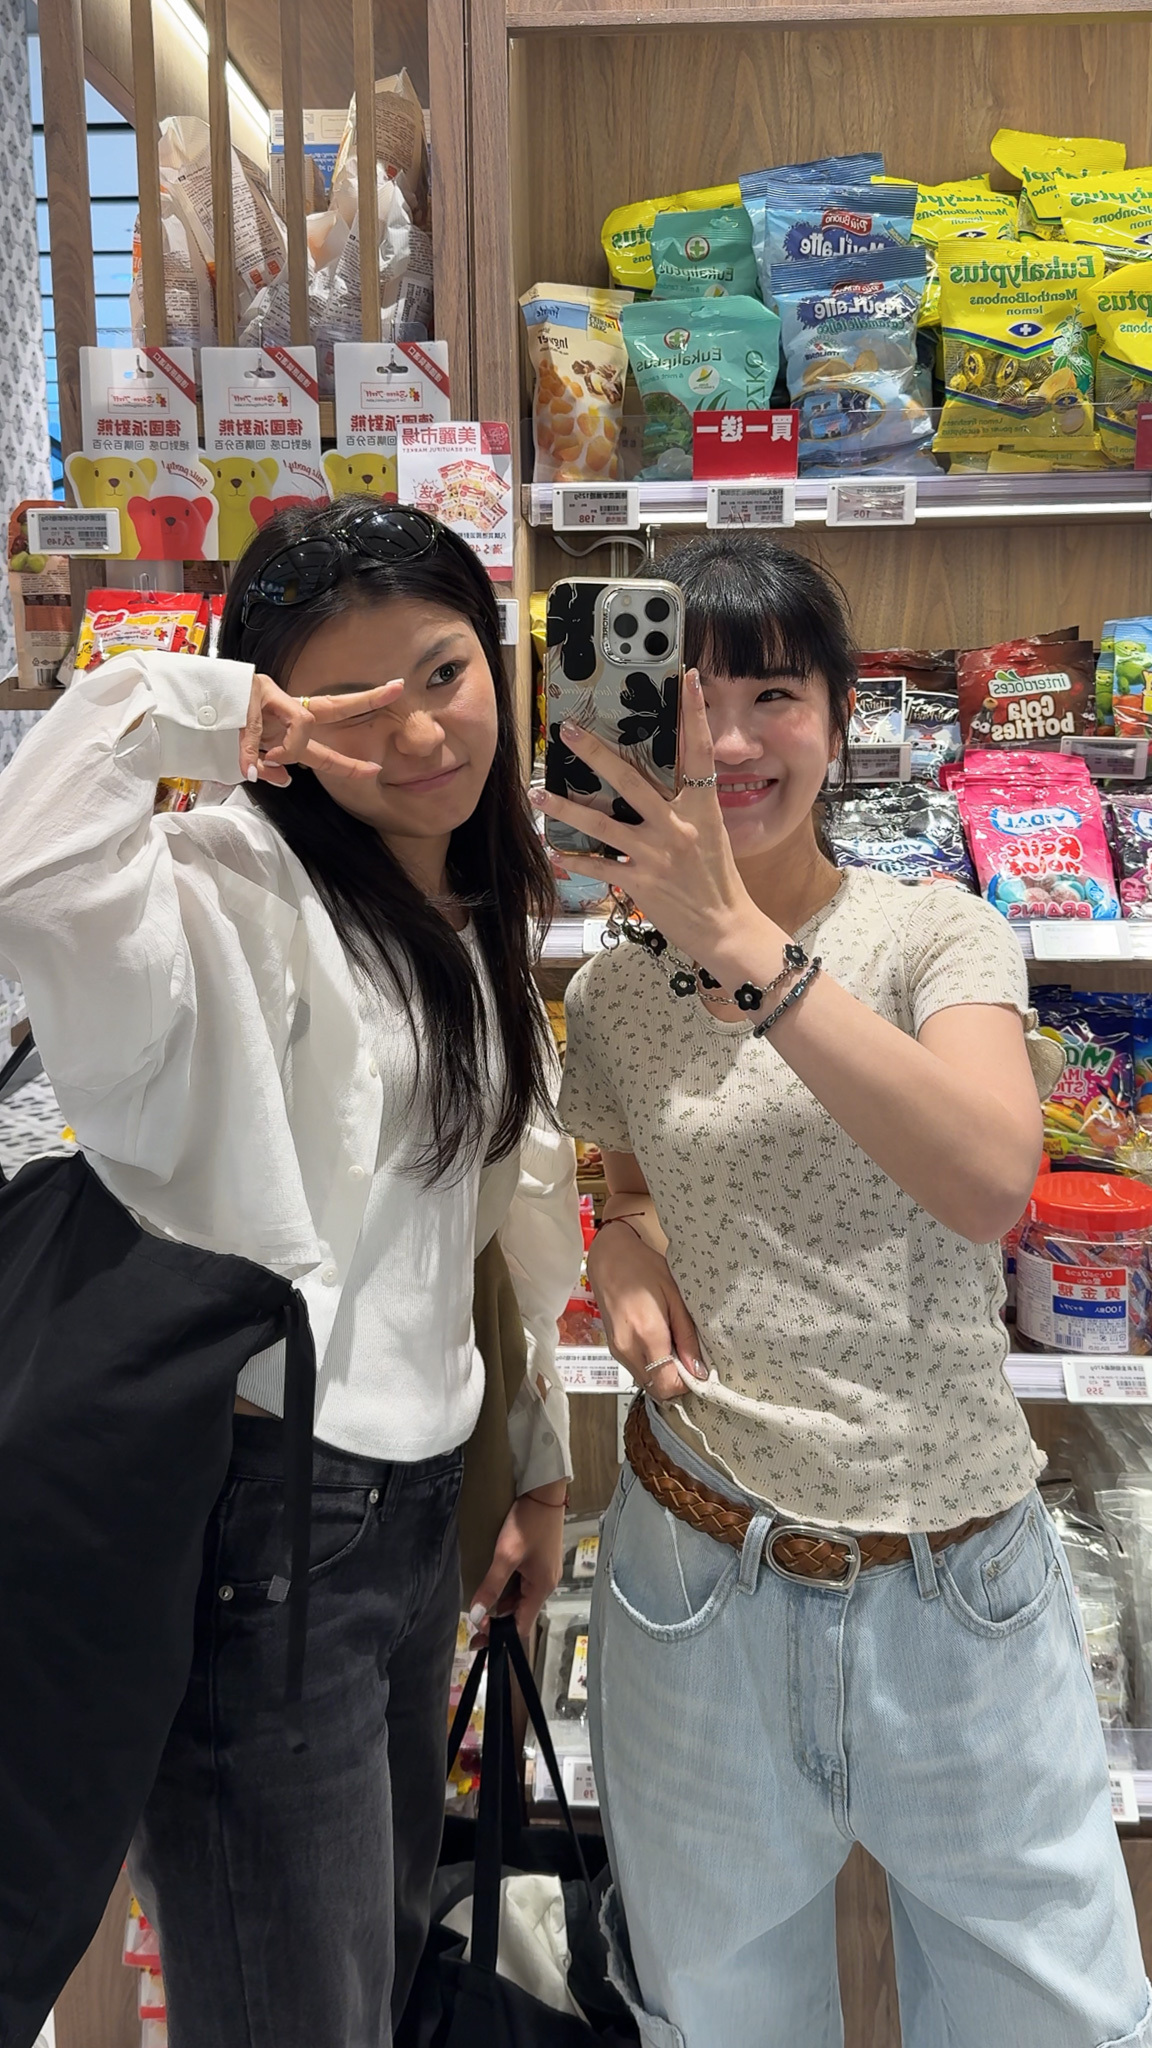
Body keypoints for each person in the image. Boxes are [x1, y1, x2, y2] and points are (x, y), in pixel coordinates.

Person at [538, 534, 1151, 2048]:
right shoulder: (613, 987)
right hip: (697, 1574)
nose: (732, 739)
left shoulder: (935, 931)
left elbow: (988, 1179)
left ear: (839, 713)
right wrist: (622, 1251)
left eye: (774, 695)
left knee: (1057, 2019)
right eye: (690, 699)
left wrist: (742, 944)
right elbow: (630, 1187)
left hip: (957, 1575)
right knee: (717, 2015)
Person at [0, 501, 580, 2048]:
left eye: (443, 673)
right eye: (352, 703)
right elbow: (33, 878)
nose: (419, 734)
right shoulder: (216, 888)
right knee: (293, 2005)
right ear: (278, 716)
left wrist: (529, 1467)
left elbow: (480, 1221)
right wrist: (184, 699)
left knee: (364, 1969)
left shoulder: (461, 896)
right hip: (267, 1521)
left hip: (413, 1511)